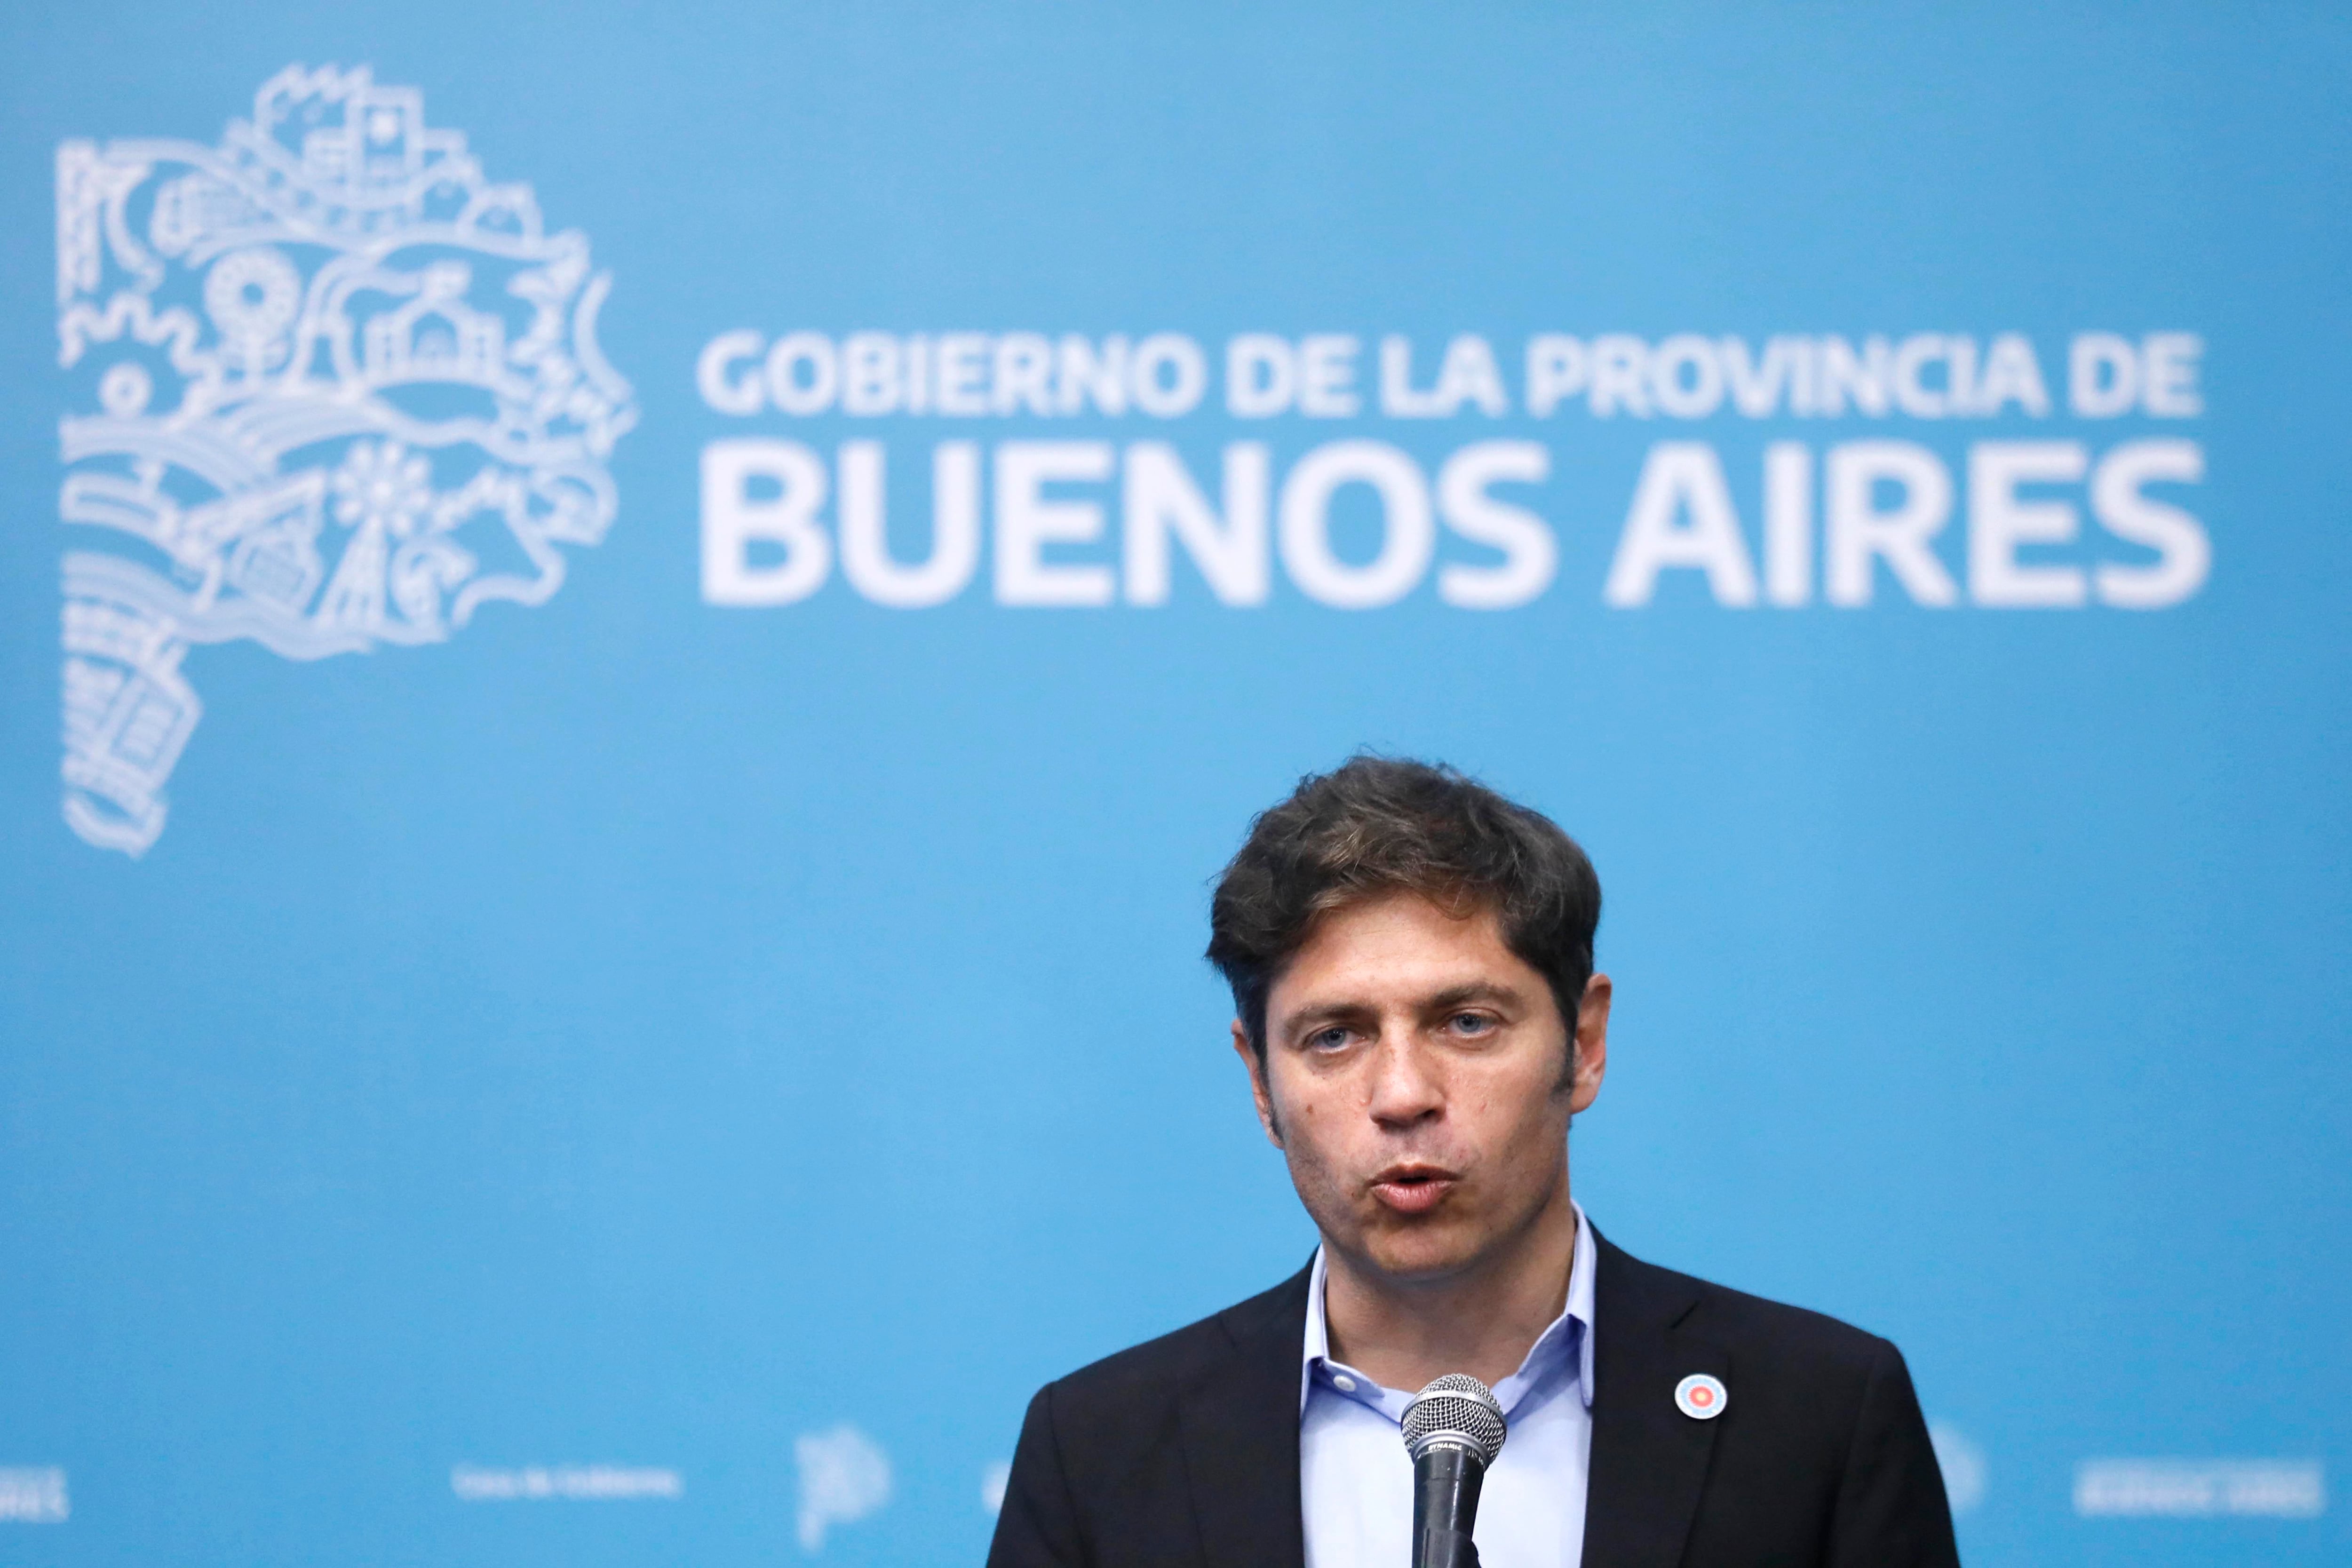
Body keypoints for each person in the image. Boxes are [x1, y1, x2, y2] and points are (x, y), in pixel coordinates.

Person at [986, 756, 1960, 1568]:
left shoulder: (1819, 1414)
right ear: (1259, 1081)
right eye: (1334, 1035)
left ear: (1582, 1043)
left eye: (1465, 1021)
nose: (1403, 1090)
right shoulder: (1102, 1448)